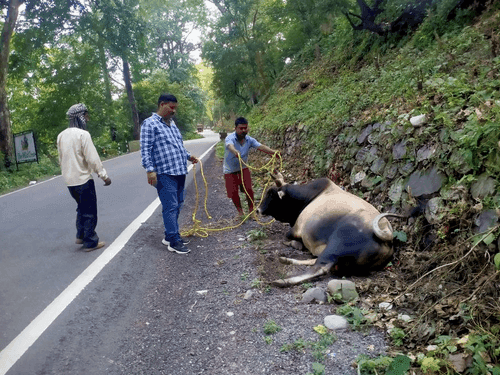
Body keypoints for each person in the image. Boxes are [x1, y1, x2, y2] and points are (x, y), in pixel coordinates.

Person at [140, 93, 199, 254]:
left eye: (175, 108)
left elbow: (178, 145)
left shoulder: (171, 124)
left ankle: (169, 235)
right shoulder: (150, 124)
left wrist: (188, 156)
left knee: (178, 203)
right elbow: (145, 149)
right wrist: (150, 170)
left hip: (179, 171)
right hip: (164, 173)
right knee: (170, 206)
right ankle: (173, 240)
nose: (174, 111)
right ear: (162, 105)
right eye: (171, 108)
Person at [57, 103, 111, 252]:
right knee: (89, 211)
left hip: (70, 182)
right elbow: (92, 159)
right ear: (80, 116)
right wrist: (104, 176)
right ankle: (90, 242)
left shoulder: (61, 135)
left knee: (81, 208)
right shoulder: (83, 135)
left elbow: (61, 160)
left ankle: (80, 235)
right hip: (83, 180)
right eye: (86, 115)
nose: (88, 119)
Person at [224, 117, 279, 217]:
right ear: (235, 128)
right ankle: (240, 212)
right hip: (229, 170)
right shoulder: (230, 138)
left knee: (249, 189)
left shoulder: (249, 140)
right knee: (233, 193)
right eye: (241, 128)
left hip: (243, 168)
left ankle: (251, 210)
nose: (243, 130)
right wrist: (235, 152)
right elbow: (229, 146)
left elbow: (261, 146)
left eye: (245, 128)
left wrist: (273, 152)